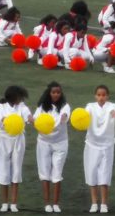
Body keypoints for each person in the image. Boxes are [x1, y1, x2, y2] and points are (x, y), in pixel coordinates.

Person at [0, 85, 32, 213]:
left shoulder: (22, 107)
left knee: (16, 170)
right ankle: (4, 203)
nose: (21, 99)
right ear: (13, 97)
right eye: (20, 97)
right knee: (4, 170)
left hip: (18, 140)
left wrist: (32, 120)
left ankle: (14, 203)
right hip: (4, 140)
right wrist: (8, 120)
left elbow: (28, 116)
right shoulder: (0, 107)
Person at [34, 82, 70, 213]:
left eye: (58, 92)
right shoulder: (42, 107)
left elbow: (64, 116)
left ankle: (56, 203)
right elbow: (35, 120)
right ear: (49, 93)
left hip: (60, 143)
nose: (56, 94)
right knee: (44, 173)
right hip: (43, 142)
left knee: (57, 172)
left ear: (61, 93)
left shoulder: (65, 106)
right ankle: (47, 203)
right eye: (53, 92)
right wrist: (32, 120)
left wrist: (63, 117)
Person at [84, 85, 115, 214]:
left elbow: (113, 111)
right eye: (99, 95)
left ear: (107, 96)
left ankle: (103, 203)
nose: (101, 97)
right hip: (91, 144)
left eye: (104, 95)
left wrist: (113, 113)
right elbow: (85, 114)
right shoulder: (90, 106)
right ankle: (94, 203)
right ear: (95, 96)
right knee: (91, 173)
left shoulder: (111, 106)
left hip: (107, 145)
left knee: (105, 174)